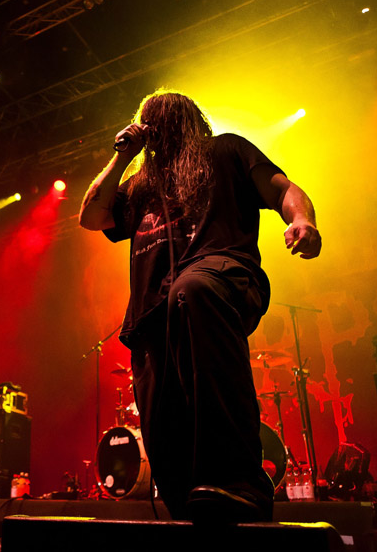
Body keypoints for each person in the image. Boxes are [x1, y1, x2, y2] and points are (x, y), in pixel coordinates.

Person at [79, 90, 321, 523]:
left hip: (223, 277)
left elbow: (284, 188)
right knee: (162, 429)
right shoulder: (139, 185)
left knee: (191, 290)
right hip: (155, 316)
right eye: (148, 120)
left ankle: (242, 480)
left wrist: (302, 220)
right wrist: (121, 159)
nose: (156, 126)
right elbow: (92, 217)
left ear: (188, 120)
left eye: (164, 117)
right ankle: (192, 510)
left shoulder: (225, 149)